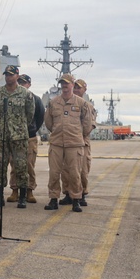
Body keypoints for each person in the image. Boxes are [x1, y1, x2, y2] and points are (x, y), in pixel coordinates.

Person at [44, 74, 94, 212]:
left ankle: (76, 199)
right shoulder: (54, 102)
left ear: (72, 84)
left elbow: (87, 124)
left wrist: (78, 135)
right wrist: (56, 132)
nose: (64, 86)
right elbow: (48, 122)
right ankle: (53, 199)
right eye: (62, 84)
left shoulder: (82, 104)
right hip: (57, 143)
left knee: (75, 173)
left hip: (74, 144)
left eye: (67, 83)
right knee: (54, 173)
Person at [0, 65, 35, 208]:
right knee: (0, 166)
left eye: (11, 74)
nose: (8, 77)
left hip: (19, 136)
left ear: (17, 75)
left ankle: (22, 197)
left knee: (21, 166)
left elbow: (30, 114)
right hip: (1, 135)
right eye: (6, 75)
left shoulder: (26, 94)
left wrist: (18, 126)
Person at [9, 74, 45, 203]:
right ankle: (15, 190)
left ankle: (29, 191)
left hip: (29, 137)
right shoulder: (11, 98)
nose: (21, 84)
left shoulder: (36, 99)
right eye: (19, 82)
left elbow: (41, 117)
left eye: (24, 83)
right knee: (14, 165)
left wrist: (32, 129)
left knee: (29, 164)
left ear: (29, 85)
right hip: (15, 137)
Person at [72, 78, 97, 206]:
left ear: (84, 89)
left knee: (82, 170)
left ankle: (82, 194)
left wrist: (78, 135)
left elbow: (90, 125)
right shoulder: (68, 104)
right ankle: (68, 193)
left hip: (82, 142)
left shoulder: (88, 106)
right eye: (74, 87)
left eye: (79, 88)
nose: (76, 90)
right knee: (68, 170)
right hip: (68, 142)